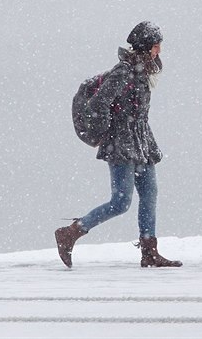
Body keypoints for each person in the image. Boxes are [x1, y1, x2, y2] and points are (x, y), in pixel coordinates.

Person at [55, 21, 182, 268]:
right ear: (147, 47)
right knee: (120, 202)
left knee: (149, 193)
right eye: (157, 46)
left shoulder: (142, 71)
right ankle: (70, 232)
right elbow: (98, 104)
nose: (159, 51)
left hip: (141, 138)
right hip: (121, 143)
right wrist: (105, 134)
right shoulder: (123, 72)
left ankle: (149, 251)